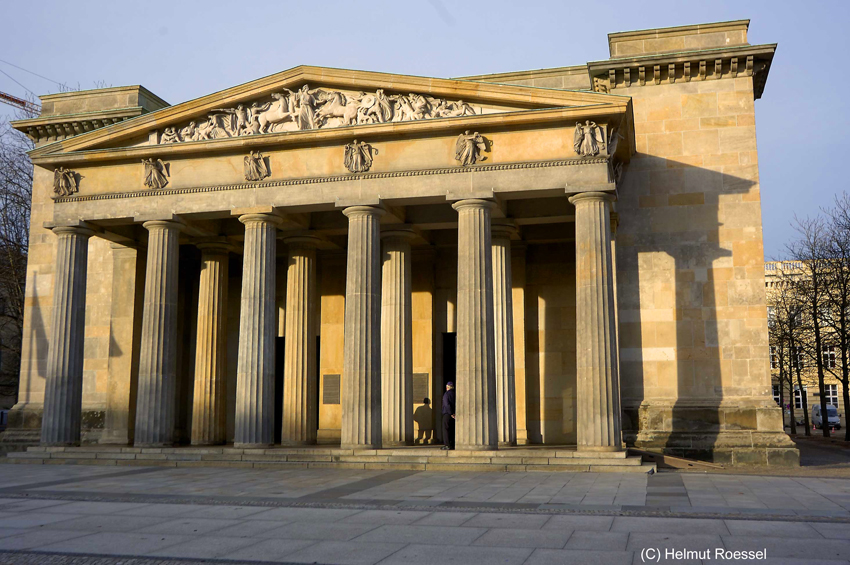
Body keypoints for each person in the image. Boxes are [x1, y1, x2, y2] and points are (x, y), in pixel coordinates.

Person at [441, 382, 456, 450]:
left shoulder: (446, 394)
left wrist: (451, 413)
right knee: (452, 430)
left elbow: (446, 404)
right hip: (454, 415)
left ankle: (447, 445)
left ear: (447, 387)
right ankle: (452, 444)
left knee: (446, 429)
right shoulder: (455, 393)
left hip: (447, 414)